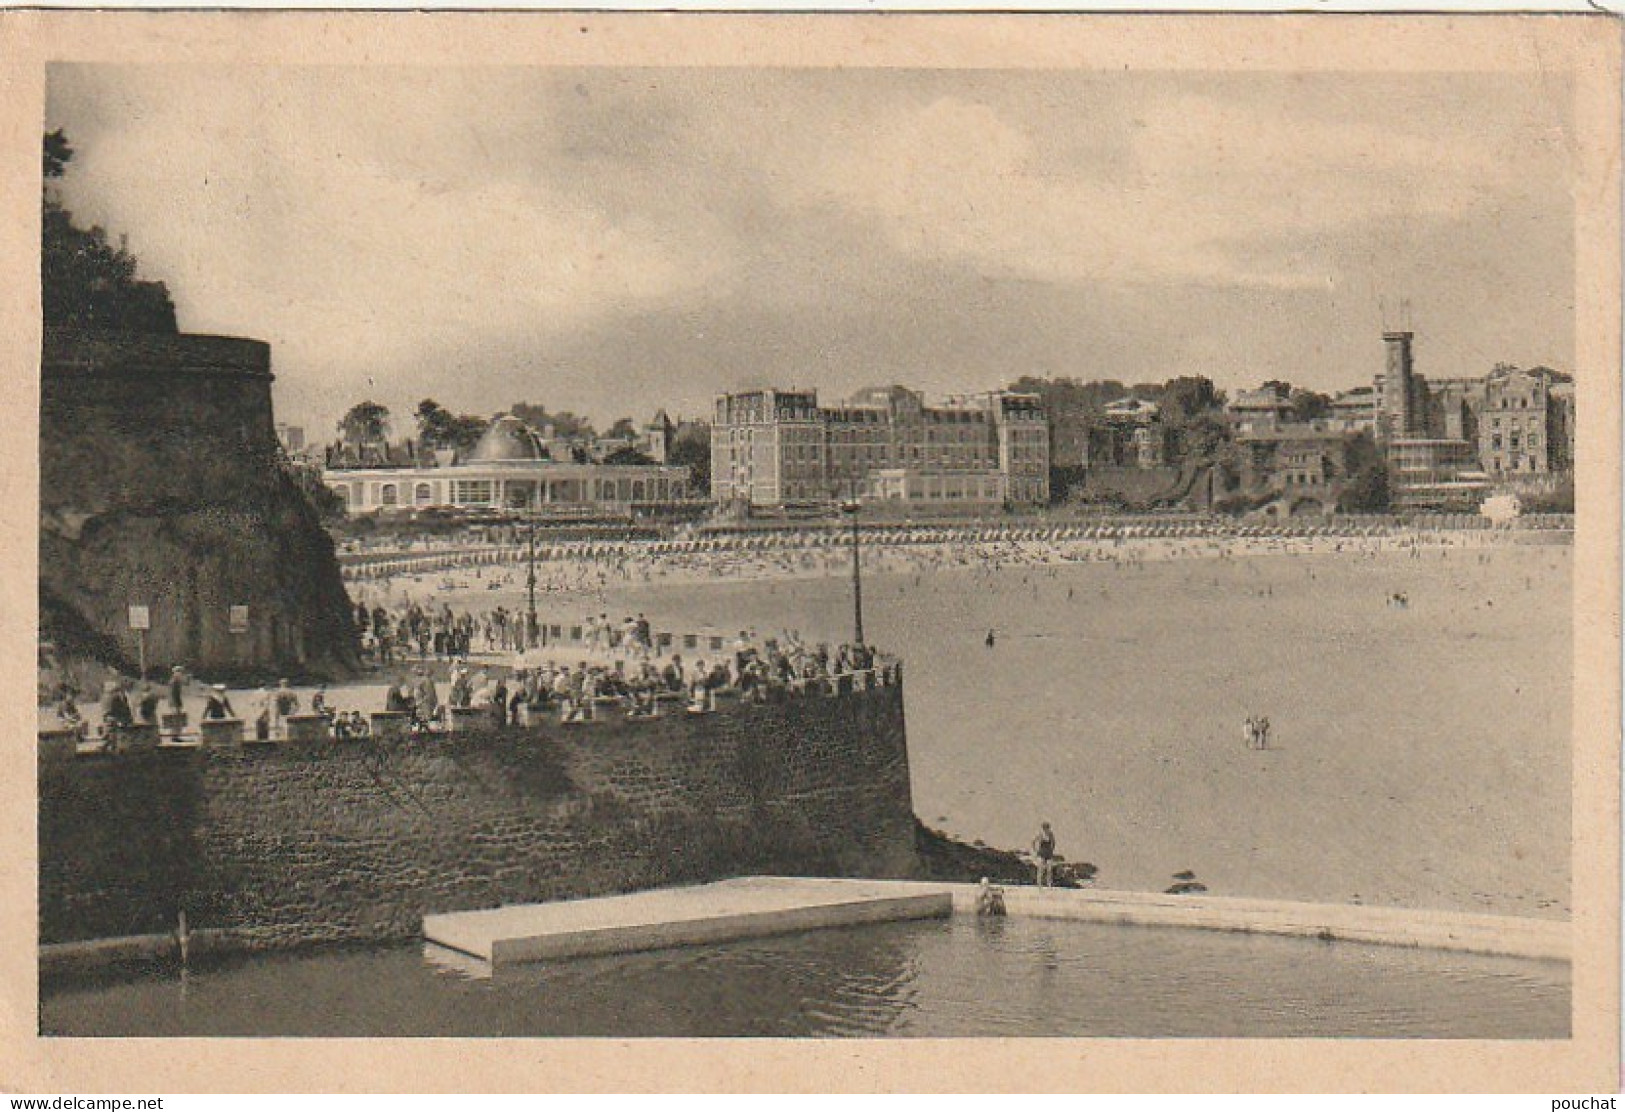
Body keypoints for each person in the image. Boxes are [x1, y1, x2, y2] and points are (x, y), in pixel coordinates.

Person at [1033, 822, 1056, 888]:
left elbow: (1053, 842)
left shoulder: (1051, 834)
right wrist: (1035, 850)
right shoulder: (1040, 834)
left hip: (1048, 853)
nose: (1046, 829)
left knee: (1049, 869)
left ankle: (1049, 884)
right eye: (1045, 827)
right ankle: (1039, 884)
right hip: (1041, 853)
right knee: (1041, 869)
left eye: (1047, 827)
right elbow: (1033, 841)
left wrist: (1052, 849)